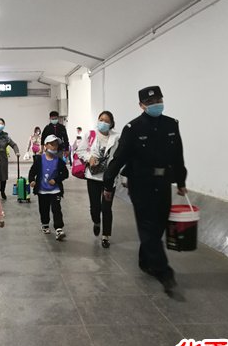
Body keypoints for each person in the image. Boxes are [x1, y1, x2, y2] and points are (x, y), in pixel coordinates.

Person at [103, 86, 187, 293]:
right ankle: (163, 271)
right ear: (141, 105)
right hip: (141, 184)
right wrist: (108, 183)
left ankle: (145, 260)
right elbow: (119, 158)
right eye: (150, 102)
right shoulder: (133, 128)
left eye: (158, 100)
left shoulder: (171, 124)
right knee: (148, 226)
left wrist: (181, 181)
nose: (155, 104)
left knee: (159, 225)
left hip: (163, 182)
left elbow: (178, 155)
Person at [76, 112, 120, 249]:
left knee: (107, 208)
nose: (103, 123)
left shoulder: (117, 137)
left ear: (111, 123)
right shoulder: (90, 135)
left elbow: (119, 157)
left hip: (109, 178)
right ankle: (96, 221)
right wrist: (89, 158)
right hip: (93, 177)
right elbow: (80, 151)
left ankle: (106, 235)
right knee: (95, 207)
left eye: (106, 121)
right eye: (101, 119)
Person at [29, 135, 69, 241]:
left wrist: (56, 180)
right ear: (46, 146)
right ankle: (45, 224)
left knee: (56, 209)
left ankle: (59, 228)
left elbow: (65, 174)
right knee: (44, 209)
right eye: (51, 144)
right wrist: (32, 180)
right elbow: (32, 172)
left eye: (56, 145)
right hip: (42, 190)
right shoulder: (39, 160)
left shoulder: (59, 161)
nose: (54, 147)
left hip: (55, 190)